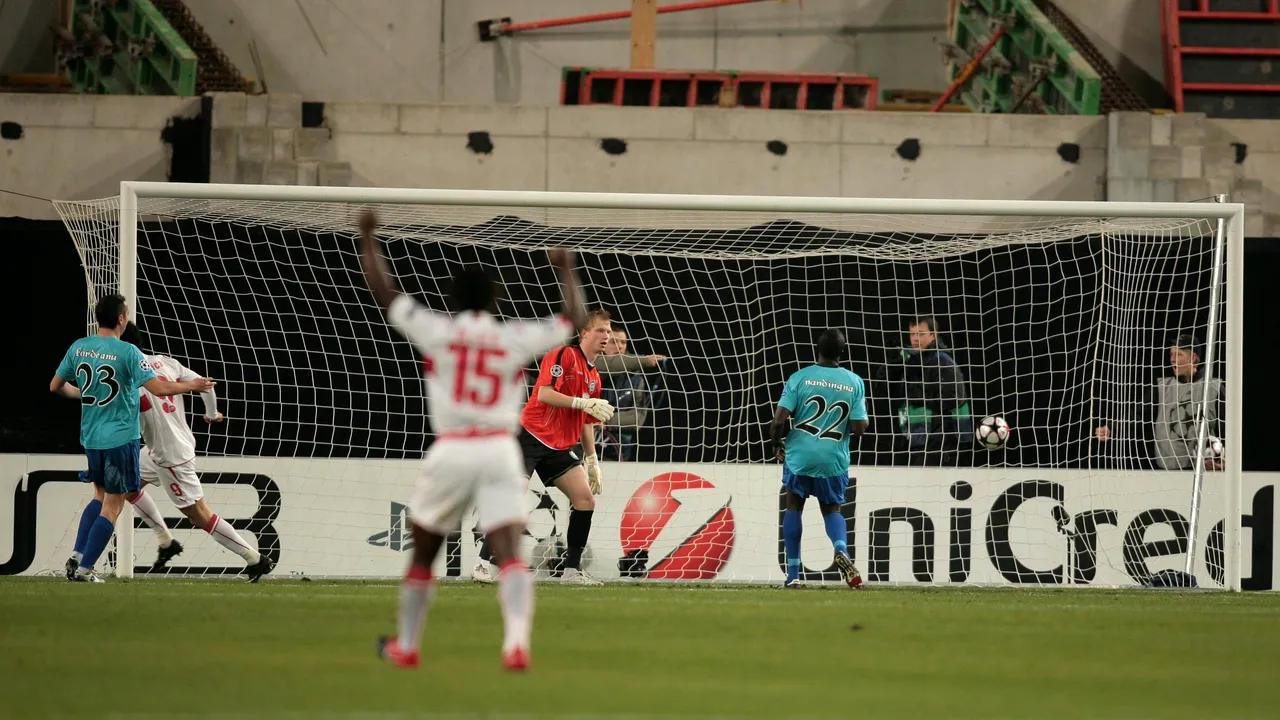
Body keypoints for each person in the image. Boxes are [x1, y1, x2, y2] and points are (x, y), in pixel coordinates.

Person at [358, 210, 587, 672]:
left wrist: (367, 237)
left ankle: (408, 645)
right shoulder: (511, 336)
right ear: (495, 298)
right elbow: (572, 320)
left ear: (451, 299)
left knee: (425, 550)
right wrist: (564, 267)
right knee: (508, 550)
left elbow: (385, 294)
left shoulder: (437, 330)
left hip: (453, 448)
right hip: (501, 448)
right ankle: (516, 644)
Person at [51, 294, 215, 583]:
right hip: (120, 440)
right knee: (113, 505)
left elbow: (56, 387)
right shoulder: (128, 352)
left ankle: (76, 556)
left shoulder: (79, 347)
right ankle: (85, 570)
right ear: (120, 319)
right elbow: (159, 389)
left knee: (100, 496)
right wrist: (194, 385)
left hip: (90, 437)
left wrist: (86, 395)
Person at [111, 322, 274, 581]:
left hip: (170, 456)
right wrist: (211, 414)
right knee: (124, 486)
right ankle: (166, 541)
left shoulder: (127, 374)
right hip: (162, 448)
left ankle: (255, 559)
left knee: (200, 517)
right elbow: (204, 384)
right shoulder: (165, 362)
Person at [474, 309, 616, 585]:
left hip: (559, 446)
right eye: (601, 330)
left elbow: (586, 421)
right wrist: (581, 402)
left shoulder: (594, 377)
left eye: (609, 332)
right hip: (530, 436)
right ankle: (483, 563)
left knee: (585, 500)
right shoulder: (564, 355)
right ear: (584, 333)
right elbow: (544, 393)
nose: (606, 336)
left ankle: (572, 572)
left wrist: (592, 460)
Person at [769, 329, 869, 589]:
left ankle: (793, 575)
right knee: (832, 509)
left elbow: (779, 418)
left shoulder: (800, 377)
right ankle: (841, 550)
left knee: (793, 506)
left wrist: (776, 442)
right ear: (842, 352)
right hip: (833, 458)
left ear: (817, 349)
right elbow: (859, 428)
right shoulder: (854, 381)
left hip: (800, 455)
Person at [1095, 333, 1224, 471]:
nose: (1172, 359)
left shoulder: (1213, 388)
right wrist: (1111, 428)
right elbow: (1138, 415)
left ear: (1193, 358)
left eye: (1179, 354)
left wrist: (1224, 458)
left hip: (1204, 471)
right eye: (1171, 354)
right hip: (1167, 470)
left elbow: (1232, 427)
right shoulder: (1162, 388)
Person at [890, 315, 973, 466]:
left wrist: (921, 399)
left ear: (933, 336)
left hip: (942, 442)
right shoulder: (911, 362)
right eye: (912, 334)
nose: (915, 339)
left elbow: (955, 399)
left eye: (921, 334)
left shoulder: (943, 362)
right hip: (920, 438)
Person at [597, 324, 665, 461]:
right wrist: (645, 360)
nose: (620, 346)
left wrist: (605, 421)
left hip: (618, 451)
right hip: (583, 448)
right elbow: (610, 364)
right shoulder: (589, 366)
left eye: (623, 342)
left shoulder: (636, 379)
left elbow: (638, 418)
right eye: (614, 341)